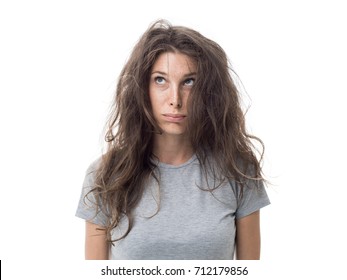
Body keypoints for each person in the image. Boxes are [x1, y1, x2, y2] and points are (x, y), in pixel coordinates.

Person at [76, 19, 270, 260]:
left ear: (208, 91)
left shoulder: (239, 170)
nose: (175, 99)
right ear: (142, 89)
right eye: (160, 80)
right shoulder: (105, 174)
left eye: (189, 82)